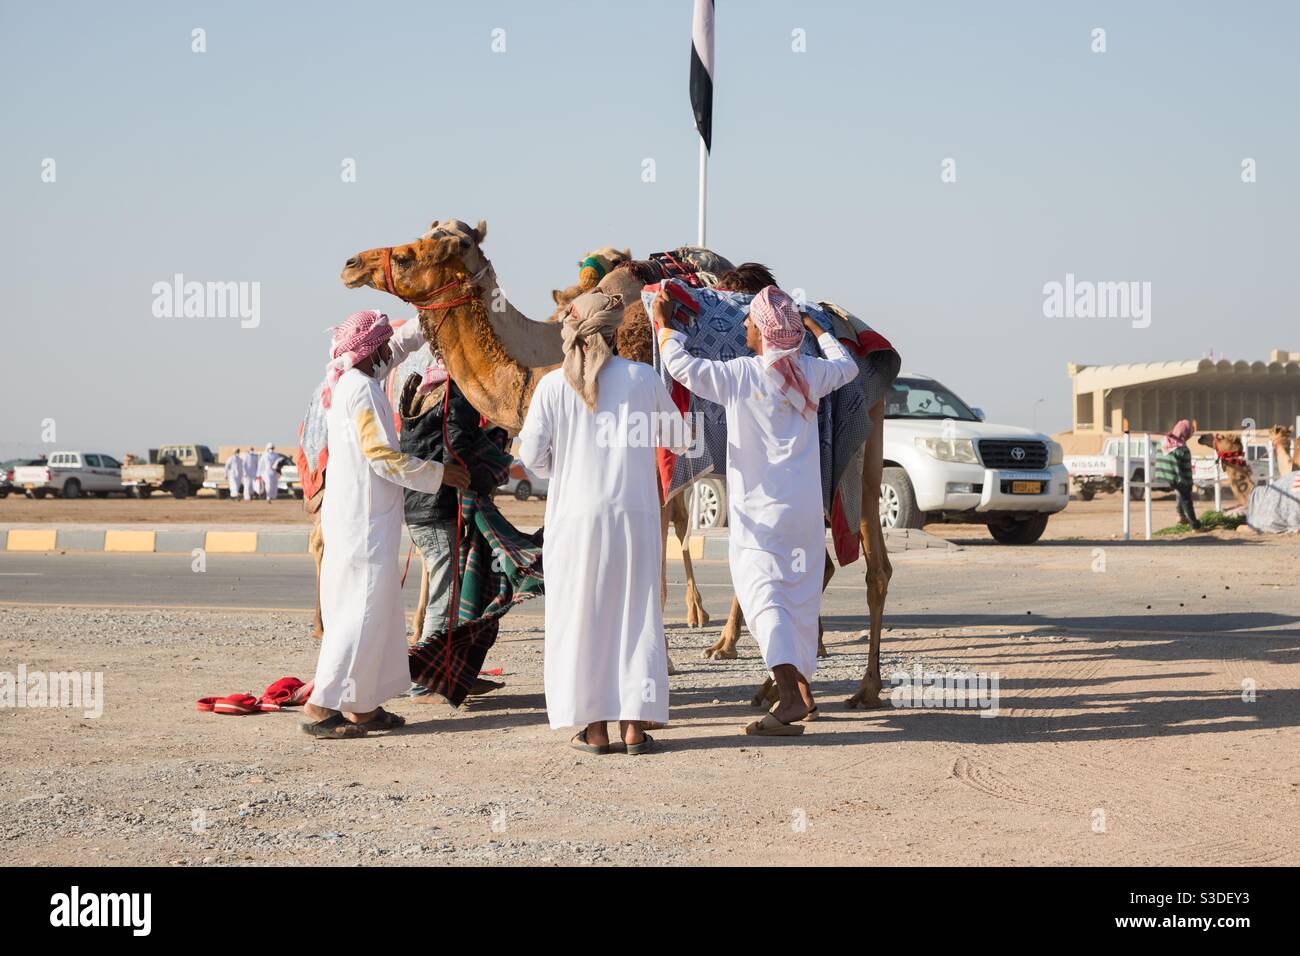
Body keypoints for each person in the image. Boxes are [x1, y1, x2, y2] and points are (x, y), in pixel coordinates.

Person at [655, 284, 858, 736]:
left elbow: (681, 367)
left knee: (762, 596)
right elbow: (847, 366)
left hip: (760, 517)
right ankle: (802, 690)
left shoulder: (742, 375)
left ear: (765, 333)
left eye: (750, 320)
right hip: (804, 513)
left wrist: (667, 326)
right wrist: (822, 331)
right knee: (799, 597)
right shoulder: (811, 372)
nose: (744, 325)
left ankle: (788, 696)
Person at [518, 290, 688, 754]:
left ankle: (593, 731)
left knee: (582, 618)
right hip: (633, 517)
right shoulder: (642, 377)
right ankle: (634, 728)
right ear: (614, 333)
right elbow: (677, 437)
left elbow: (531, 457)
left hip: (574, 520)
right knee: (635, 616)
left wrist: (569, 466)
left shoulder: (553, 386)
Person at [301, 310, 470, 739]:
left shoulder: (351, 382)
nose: (388, 354)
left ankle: (362, 705)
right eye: (383, 347)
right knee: (359, 613)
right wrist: (438, 474)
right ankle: (321, 707)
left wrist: (429, 317)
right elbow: (382, 456)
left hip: (362, 517)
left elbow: (397, 348)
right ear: (370, 350)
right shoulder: (361, 391)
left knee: (374, 612)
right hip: (363, 523)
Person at [399, 363, 511, 697]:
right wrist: (488, 476)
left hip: (420, 509)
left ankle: (448, 673)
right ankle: (422, 680)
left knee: (446, 594)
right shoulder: (457, 392)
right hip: (440, 509)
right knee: (446, 600)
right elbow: (457, 448)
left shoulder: (420, 394)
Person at [1155, 419, 1201, 530]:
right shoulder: (1183, 449)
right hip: (1173, 478)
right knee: (1186, 494)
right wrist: (1190, 484)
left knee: (1181, 489)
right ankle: (1195, 526)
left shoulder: (1161, 442)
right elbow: (1186, 471)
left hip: (1160, 476)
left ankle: (1181, 516)